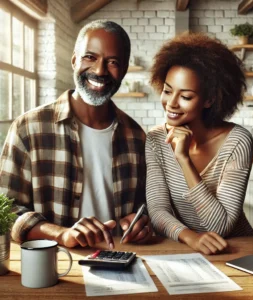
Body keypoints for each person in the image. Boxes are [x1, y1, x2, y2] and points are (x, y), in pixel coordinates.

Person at [0, 20, 152, 249]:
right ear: (74, 60)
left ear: (124, 70)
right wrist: (61, 234)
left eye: (112, 62)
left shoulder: (136, 137)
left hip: (121, 260)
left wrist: (140, 223)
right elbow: (5, 211)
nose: (100, 70)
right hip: (55, 265)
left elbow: (145, 208)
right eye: (90, 57)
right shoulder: (27, 129)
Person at [146, 32, 253, 255]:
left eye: (185, 97)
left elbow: (219, 226)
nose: (171, 104)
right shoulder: (156, 140)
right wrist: (190, 238)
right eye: (168, 91)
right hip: (192, 249)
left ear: (210, 99)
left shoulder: (237, 141)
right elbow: (158, 210)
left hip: (239, 249)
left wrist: (184, 159)